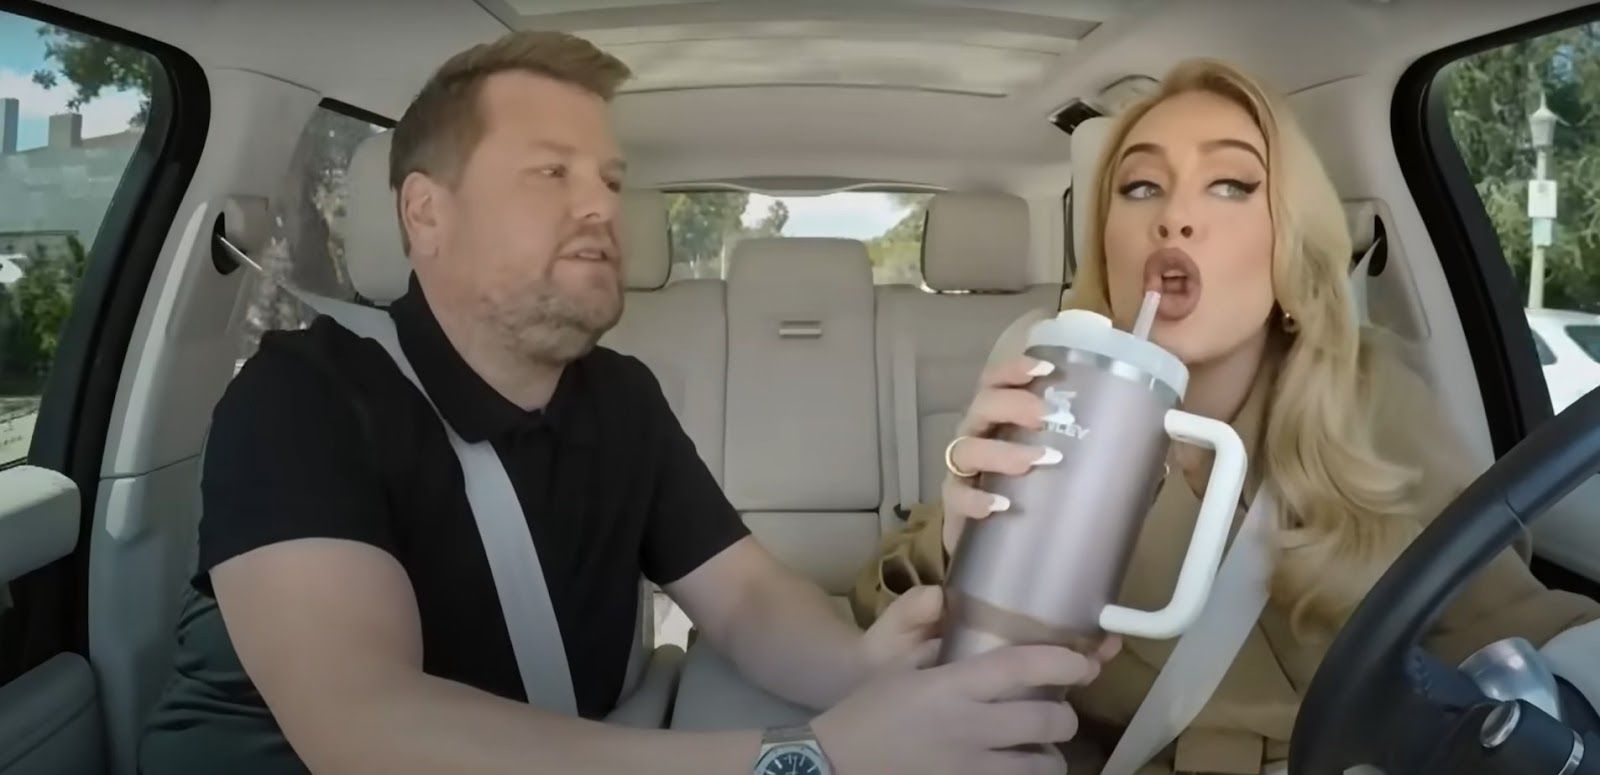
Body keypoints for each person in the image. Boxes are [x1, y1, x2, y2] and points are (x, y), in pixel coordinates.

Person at [138, 31, 1108, 775]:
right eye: (550, 173)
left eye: (607, 177)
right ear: (426, 212)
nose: (599, 203)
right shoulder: (301, 398)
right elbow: (366, 727)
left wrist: (868, 672)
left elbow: (748, 598)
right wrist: (810, 755)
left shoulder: (621, 399)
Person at [851, 58, 1600, 774]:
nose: (1175, 217)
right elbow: (892, 602)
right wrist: (968, 543)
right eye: (1140, 187)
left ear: (1286, 240)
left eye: (1232, 184)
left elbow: (1514, 628)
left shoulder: (1367, 388)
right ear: (1105, 248)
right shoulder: (1054, 388)